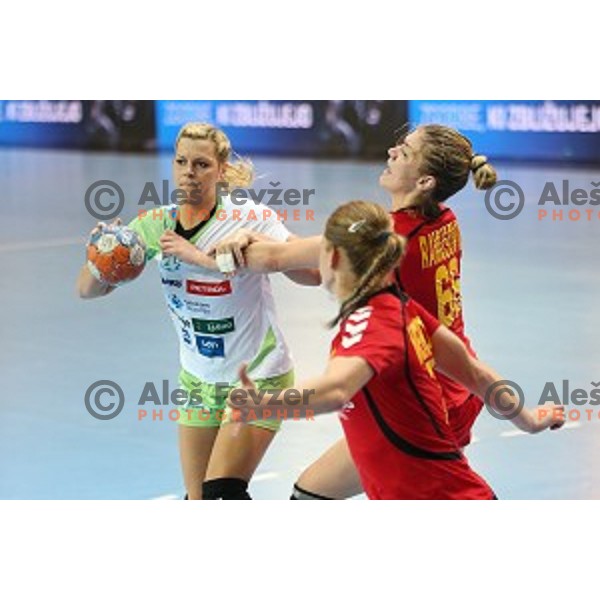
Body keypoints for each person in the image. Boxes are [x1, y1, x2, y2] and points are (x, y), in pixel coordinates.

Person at [212, 124, 502, 499]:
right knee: (313, 494)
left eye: (406, 152)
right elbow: (318, 263)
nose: (392, 153)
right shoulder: (442, 218)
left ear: (426, 180)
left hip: (422, 400)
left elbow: (287, 260)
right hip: (457, 388)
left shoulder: (395, 239)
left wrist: (233, 235)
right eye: (399, 144)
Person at [226, 201, 564, 500]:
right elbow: (476, 374)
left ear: (332, 257)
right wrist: (529, 420)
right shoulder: (405, 310)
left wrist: (263, 404)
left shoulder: (371, 324)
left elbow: (336, 390)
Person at [77, 122, 317, 499]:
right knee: (198, 500)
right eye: (181, 161)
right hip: (198, 381)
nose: (189, 171)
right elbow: (88, 291)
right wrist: (103, 257)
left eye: (202, 164)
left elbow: (314, 275)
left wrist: (262, 250)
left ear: (221, 171)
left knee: (222, 491)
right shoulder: (156, 226)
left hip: (258, 375)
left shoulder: (248, 219)